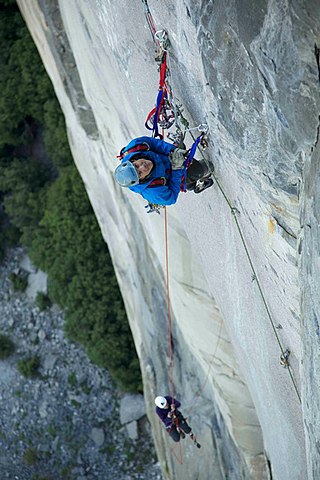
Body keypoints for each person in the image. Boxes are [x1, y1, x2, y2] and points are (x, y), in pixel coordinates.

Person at [113, 136, 213, 206]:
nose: (143, 166)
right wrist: (176, 169)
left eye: (136, 165)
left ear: (132, 160)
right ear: (141, 180)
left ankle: (192, 183)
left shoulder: (135, 147)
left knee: (181, 151)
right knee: (205, 167)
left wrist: (172, 150)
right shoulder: (154, 192)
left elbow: (154, 143)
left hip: (167, 159)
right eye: (140, 173)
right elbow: (172, 198)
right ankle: (195, 182)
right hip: (173, 175)